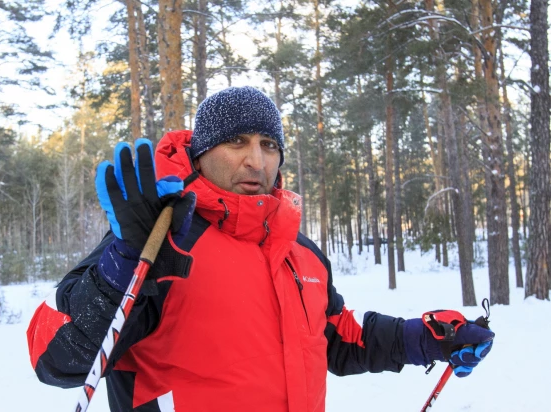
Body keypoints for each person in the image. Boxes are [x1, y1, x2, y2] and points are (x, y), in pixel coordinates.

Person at [27, 86, 494, 412]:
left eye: (269, 144)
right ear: (201, 152)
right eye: (237, 142)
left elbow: (338, 339)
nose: (256, 159)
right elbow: (53, 356)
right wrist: (123, 266)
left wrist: (429, 337)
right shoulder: (160, 237)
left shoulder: (301, 253)